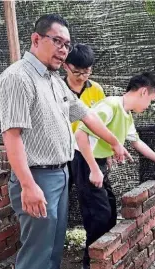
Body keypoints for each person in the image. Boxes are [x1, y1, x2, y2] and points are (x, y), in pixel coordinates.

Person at [0, 14, 130, 269]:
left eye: (67, 44)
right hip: (37, 177)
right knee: (37, 252)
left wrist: (115, 142)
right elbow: (12, 136)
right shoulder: (18, 78)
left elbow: (85, 114)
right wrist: (28, 185)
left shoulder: (54, 81)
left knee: (54, 246)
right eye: (57, 41)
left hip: (60, 174)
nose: (64, 50)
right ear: (36, 39)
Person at [73, 72, 155, 269]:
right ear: (143, 91)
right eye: (150, 100)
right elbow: (80, 135)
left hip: (99, 162)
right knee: (98, 214)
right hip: (85, 160)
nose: (149, 106)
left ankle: (102, 258)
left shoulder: (126, 113)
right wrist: (94, 169)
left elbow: (136, 142)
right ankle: (90, 264)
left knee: (110, 209)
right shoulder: (110, 105)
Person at [63, 43, 106, 192]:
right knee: (63, 192)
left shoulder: (96, 89)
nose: (82, 77)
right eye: (77, 72)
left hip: (88, 152)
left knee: (92, 193)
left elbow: (102, 123)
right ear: (65, 67)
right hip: (64, 151)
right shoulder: (57, 89)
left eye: (86, 72)